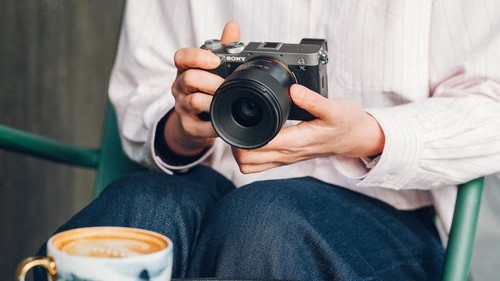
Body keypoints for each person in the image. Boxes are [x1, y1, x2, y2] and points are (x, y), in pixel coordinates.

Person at [36, 0, 500, 280]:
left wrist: (371, 135)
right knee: (135, 212)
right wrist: (183, 123)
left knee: (261, 225)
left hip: (384, 211)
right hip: (206, 180)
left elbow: (491, 104)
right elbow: (144, 85)